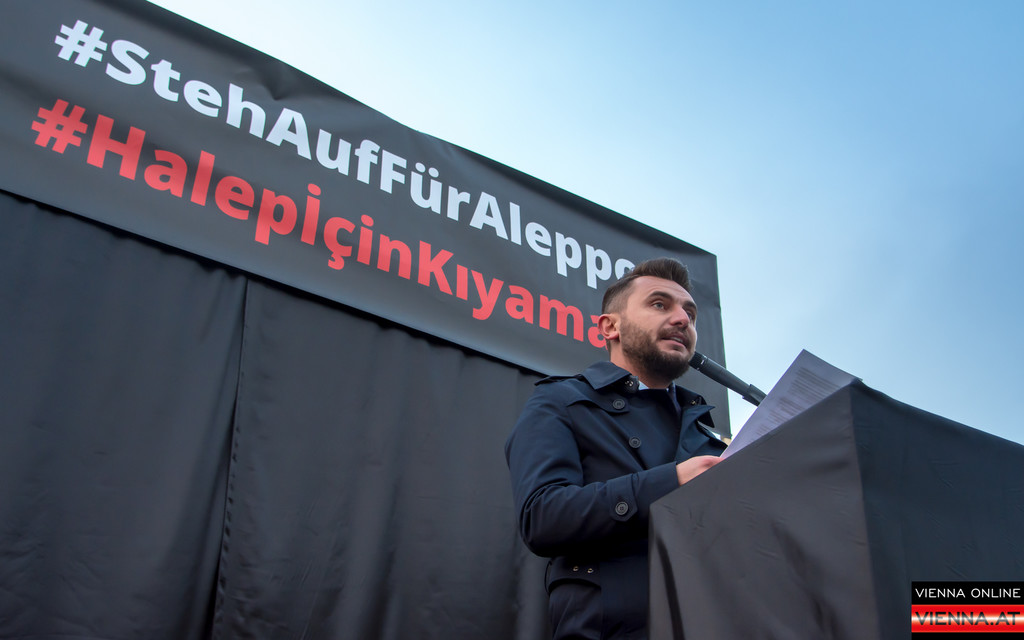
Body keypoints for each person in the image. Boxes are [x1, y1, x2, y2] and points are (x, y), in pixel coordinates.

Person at [504, 257, 727, 640]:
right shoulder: (560, 401)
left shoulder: (709, 438)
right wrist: (672, 482)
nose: (682, 320)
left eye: (690, 314)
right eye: (660, 304)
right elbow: (542, 518)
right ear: (610, 327)